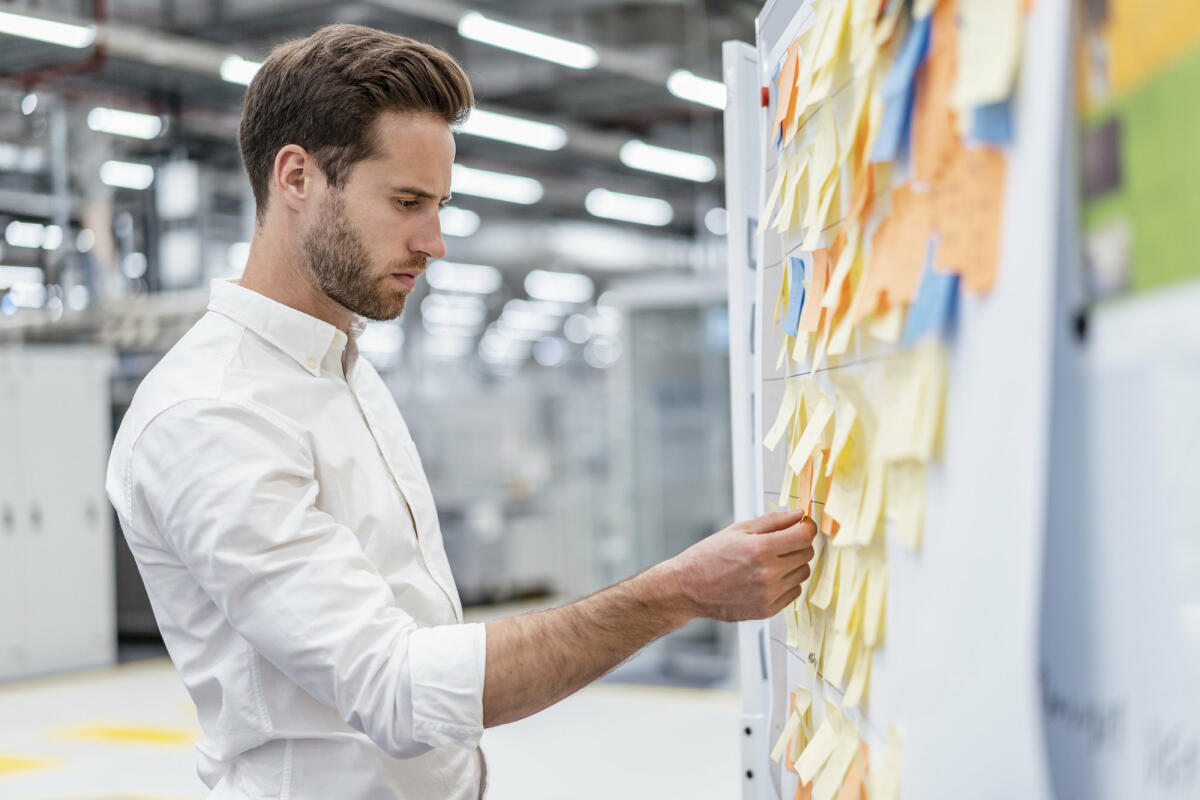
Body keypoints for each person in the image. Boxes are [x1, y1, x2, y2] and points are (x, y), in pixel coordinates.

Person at [106, 23, 816, 800]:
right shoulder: (211, 415)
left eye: (439, 203)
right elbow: (394, 688)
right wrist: (674, 592)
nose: (435, 241)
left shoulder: (341, 367)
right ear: (297, 178)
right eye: (408, 201)